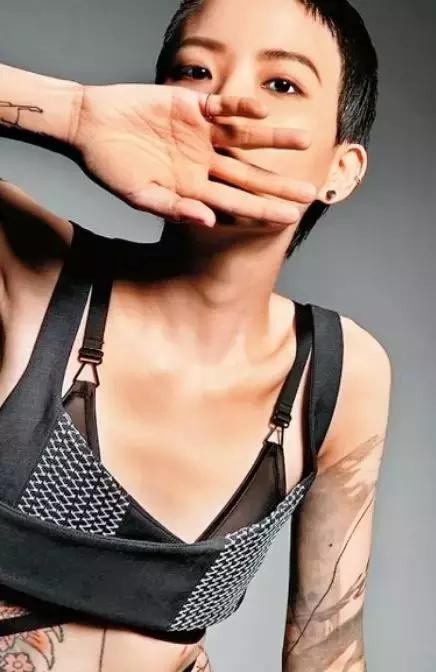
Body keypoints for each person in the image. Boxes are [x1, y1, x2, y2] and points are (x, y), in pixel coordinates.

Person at [0, 0, 392, 670]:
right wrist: (75, 115)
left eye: (282, 83)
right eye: (195, 71)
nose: (230, 103)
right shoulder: (30, 273)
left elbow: (326, 652)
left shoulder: (337, 373)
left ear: (341, 169)